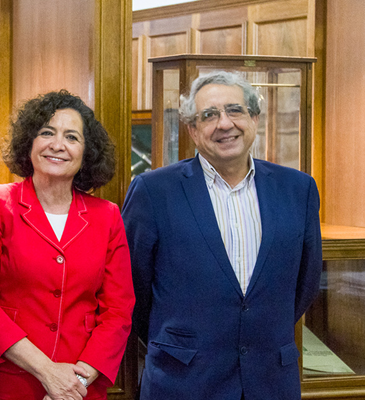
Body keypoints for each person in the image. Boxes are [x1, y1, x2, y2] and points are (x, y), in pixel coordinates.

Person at [122, 71, 323, 400]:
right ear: (192, 129)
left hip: (271, 381)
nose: (224, 123)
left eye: (235, 110)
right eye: (209, 115)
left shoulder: (298, 189)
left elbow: (306, 283)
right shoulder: (154, 191)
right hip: (182, 381)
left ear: (254, 118)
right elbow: (132, 288)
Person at [0, 90, 135, 400]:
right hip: (4, 383)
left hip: (79, 385)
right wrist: (47, 371)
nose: (57, 145)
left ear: (86, 152)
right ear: (29, 143)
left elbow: (118, 311)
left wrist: (76, 381)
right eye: (47, 133)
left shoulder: (106, 216)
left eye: (72, 137)